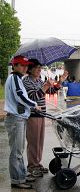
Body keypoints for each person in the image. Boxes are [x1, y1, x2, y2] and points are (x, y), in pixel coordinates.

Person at [23, 59, 68, 177]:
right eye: (37, 68)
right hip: (33, 115)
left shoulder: (38, 80)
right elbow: (32, 97)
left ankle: (37, 164)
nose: (39, 70)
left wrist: (59, 82)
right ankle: (32, 166)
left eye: (40, 68)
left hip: (41, 114)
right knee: (33, 142)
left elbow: (50, 91)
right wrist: (45, 86)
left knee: (39, 141)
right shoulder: (26, 81)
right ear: (30, 69)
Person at [4, 56, 38, 189]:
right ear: (15, 65)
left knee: (19, 149)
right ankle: (17, 180)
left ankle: (21, 175)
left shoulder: (17, 78)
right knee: (16, 151)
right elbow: (20, 96)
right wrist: (34, 105)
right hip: (15, 119)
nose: (25, 68)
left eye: (26, 66)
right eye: (22, 65)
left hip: (18, 118)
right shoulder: (14, 78)